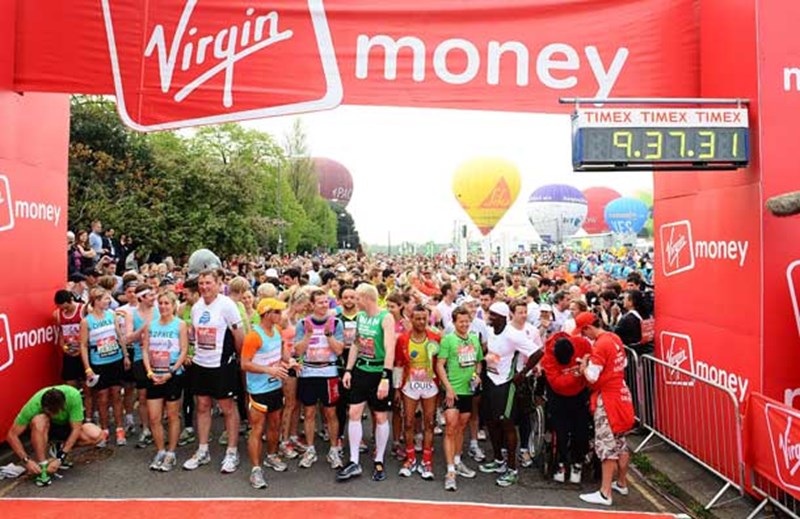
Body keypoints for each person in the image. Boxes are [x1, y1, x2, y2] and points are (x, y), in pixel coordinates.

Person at [183, 269, 245, 473]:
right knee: (202, 405)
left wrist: (239, 358)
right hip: (201, 363)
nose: (204, 287)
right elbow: (195, 336)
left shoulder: (227, 305)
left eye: (208, 283)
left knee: (227, 407)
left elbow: (239, 335)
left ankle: (232, 452)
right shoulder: (196, 307)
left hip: (222, 364)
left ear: (219, 284)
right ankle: (203, 450)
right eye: (201, 283)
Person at [573, 312, 636, 506]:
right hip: (622, 394)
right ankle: (622, 483)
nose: (584, 337)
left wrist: (584, 365)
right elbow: (624, 363)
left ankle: (604, 493)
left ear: (588, 328)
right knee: (620, 442)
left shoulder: (600, 345)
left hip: (608, 398)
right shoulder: (614, 338)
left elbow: (592, 376)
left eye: (584, 332)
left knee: (606, 445)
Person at [337, 283, 396, 482]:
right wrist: (348, 370)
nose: (354, 302)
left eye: (357, 298)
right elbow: (356, 344)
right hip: (361, 370)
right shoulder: (360, 317)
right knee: (354, 412)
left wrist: (385, 378)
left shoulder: (385, 317)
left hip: (379, 371)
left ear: (366, 298)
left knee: (380, 416)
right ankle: (354, 461)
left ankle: (379, 459)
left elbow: (390, 348)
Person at [479, 301, 539, 488]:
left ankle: (512, 469)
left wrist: (522, 373)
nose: (490, 317)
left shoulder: (513, 334)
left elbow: (537, 352)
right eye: (490, 313)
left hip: (505, 384)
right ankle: (498, 460)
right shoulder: (489, 331)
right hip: (490, 380)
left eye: (493, 315)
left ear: (503, 318)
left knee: (507, 423)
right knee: (491, 422)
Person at [6, 385, 103, 487]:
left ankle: (58, 449)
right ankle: (43, 465)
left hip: (67, 426)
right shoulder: (34, 404)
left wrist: (60, 458)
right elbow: (11, 435)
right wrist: (26, 460)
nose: (52, 415)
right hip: (48, 429)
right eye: (49, 412)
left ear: (63, 406)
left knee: (97, 435)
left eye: (54, 412)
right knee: (39, 420)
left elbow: (76, 429)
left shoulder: (74, 396)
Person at [241, 298, 291, 489]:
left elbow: (281, 355)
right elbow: (244, 364)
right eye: (277, 312)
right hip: (259, 390)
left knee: (275, 425)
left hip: (275, 387)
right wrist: (269, 370)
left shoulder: (277, 330)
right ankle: (255, 469)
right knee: (257, 428)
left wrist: (290, 362)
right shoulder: (254, 336)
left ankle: (271, 456)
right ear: (267, 314)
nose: (280, 315)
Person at [294, 289, 345, 469]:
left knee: (330, 413)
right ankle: (310, 449)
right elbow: (298, 351)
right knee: (309, 413)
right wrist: (308, 335)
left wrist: (329, 335)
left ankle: (334, 450)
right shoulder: (302, 323)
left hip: (328, 373)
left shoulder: (336, 322)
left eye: (326, 302)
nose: (324, 305)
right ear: (312, 305)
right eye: (320, 302)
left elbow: (339, 350)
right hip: (308, 372)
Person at [436, 306, 482, 491]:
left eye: (466, 321)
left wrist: (477, 375)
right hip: (452, 391)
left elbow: (478, 362)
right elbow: (440, 365)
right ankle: (450, 472)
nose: (464, 324)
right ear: (454, 322)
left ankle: (457, 461)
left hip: (468, 391)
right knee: (450, 428)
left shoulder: (474, 339)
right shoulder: (448, 340)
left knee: (461, 427)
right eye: (461, 321)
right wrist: (447, 388)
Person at [141, 291, 189, 472]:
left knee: (172, 415)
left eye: (167, 303)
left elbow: (184, 350)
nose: (163, 306)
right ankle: (160, 450)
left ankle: (171, 452)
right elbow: (145, 350)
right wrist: (149, 372)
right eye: (160, 303)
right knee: (154, 417)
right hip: (154, 375)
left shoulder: (180, 324)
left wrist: (172, 371)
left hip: (172, 375)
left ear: (174, 305)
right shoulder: (150, 325)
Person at [540, 332, 592, 484]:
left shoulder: (582, 343)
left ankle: (577, 463)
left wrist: (586, 359)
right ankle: (561, 463)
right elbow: (558, 384)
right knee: (561, 431)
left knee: (581, 430)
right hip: (558, 396)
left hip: (579, 394)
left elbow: (592, 354)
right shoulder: (548, 357)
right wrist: (577, 373)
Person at [396, 304, 440, 480]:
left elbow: (441, 363)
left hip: (430, 385)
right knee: (408, 422)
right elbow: (398, 364)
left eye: (424, 318)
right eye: (418, 318)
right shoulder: (403, 339)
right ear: (411, 319)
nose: (421, 322)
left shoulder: (436, 338)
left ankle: (427, 461)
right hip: (410, 384)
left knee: (429, 423)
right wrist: (397, 388)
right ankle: (411, 458)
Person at [80, 288, 127, 447]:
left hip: (116, 359)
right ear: (96, 301)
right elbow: (83, 345)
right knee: (102, 397)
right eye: (106, 299)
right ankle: (104, 430)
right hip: (99, 363)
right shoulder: (86, 321)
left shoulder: (111, 315)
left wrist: (126, 355)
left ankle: (120, 429)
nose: (109, 302)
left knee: (117, 395)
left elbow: (119, 336)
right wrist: (87, 368)